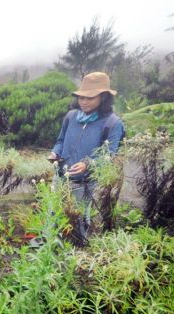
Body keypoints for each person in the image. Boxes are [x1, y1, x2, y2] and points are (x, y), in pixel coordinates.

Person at [48, 71, 125, 241]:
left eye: (89, 98)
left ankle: (76, 249)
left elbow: (109, 155)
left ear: (103, 98)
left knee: (79, 217)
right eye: (81, 97)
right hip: (61, 176)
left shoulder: (112, 123)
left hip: (85, 182)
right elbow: (60, 140)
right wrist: (55, 152)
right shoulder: (71, 117)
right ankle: (53, 245)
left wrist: (88, 164)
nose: (83, 101)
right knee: (54, 212)